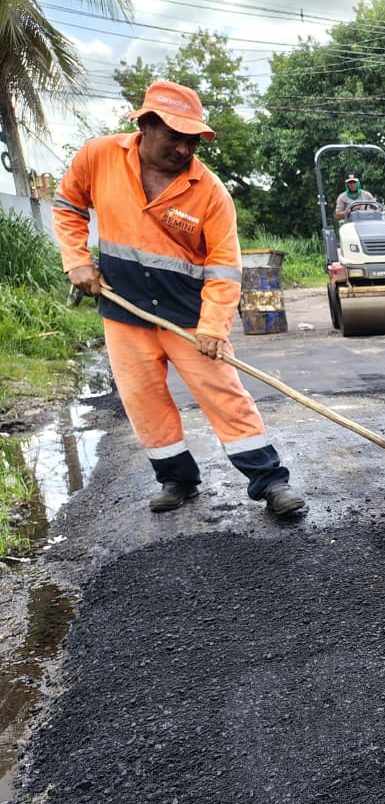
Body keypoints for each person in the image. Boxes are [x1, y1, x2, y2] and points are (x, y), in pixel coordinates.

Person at [53, 81, 305, 515]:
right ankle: (177, 480)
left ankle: (270, 482)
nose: (185, 149)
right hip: (124, 308)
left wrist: (213, 327)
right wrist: (76, 260)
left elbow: (224, 267)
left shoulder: (209, 191)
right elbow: (68, 206)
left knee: (224, 395)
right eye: (175, 137)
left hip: (188, 314)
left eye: (193, 140)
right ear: (146, 125)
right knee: (143, 399)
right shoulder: (98, 156)